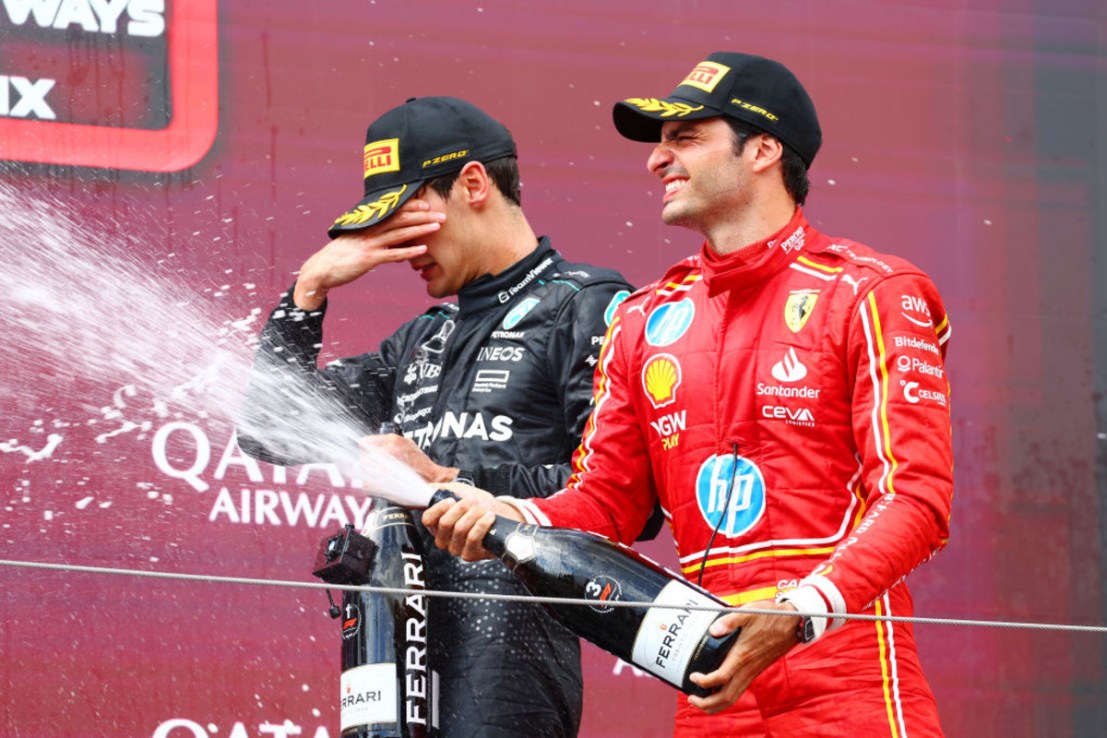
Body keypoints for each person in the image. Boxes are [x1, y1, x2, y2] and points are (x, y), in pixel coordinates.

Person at [423, 53, 953, 737]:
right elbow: (606, 503)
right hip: (708, 680)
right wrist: (506, 516)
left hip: (848, 677)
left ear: (762, 149)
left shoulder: (872, 292)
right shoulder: (644, 317)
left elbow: (916, 499)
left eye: (685, 138)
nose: (656, 160)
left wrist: (801, 610)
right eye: (659, 142)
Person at [236, 96, 638, 737]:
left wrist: (448, 477)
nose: (395, 247)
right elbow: (267, 430)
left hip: (510, 667)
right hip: (391, 658)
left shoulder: (589, 305)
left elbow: (624, 502)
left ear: (474, 183)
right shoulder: (419, 338)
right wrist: (307, 291)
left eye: (404, 218)